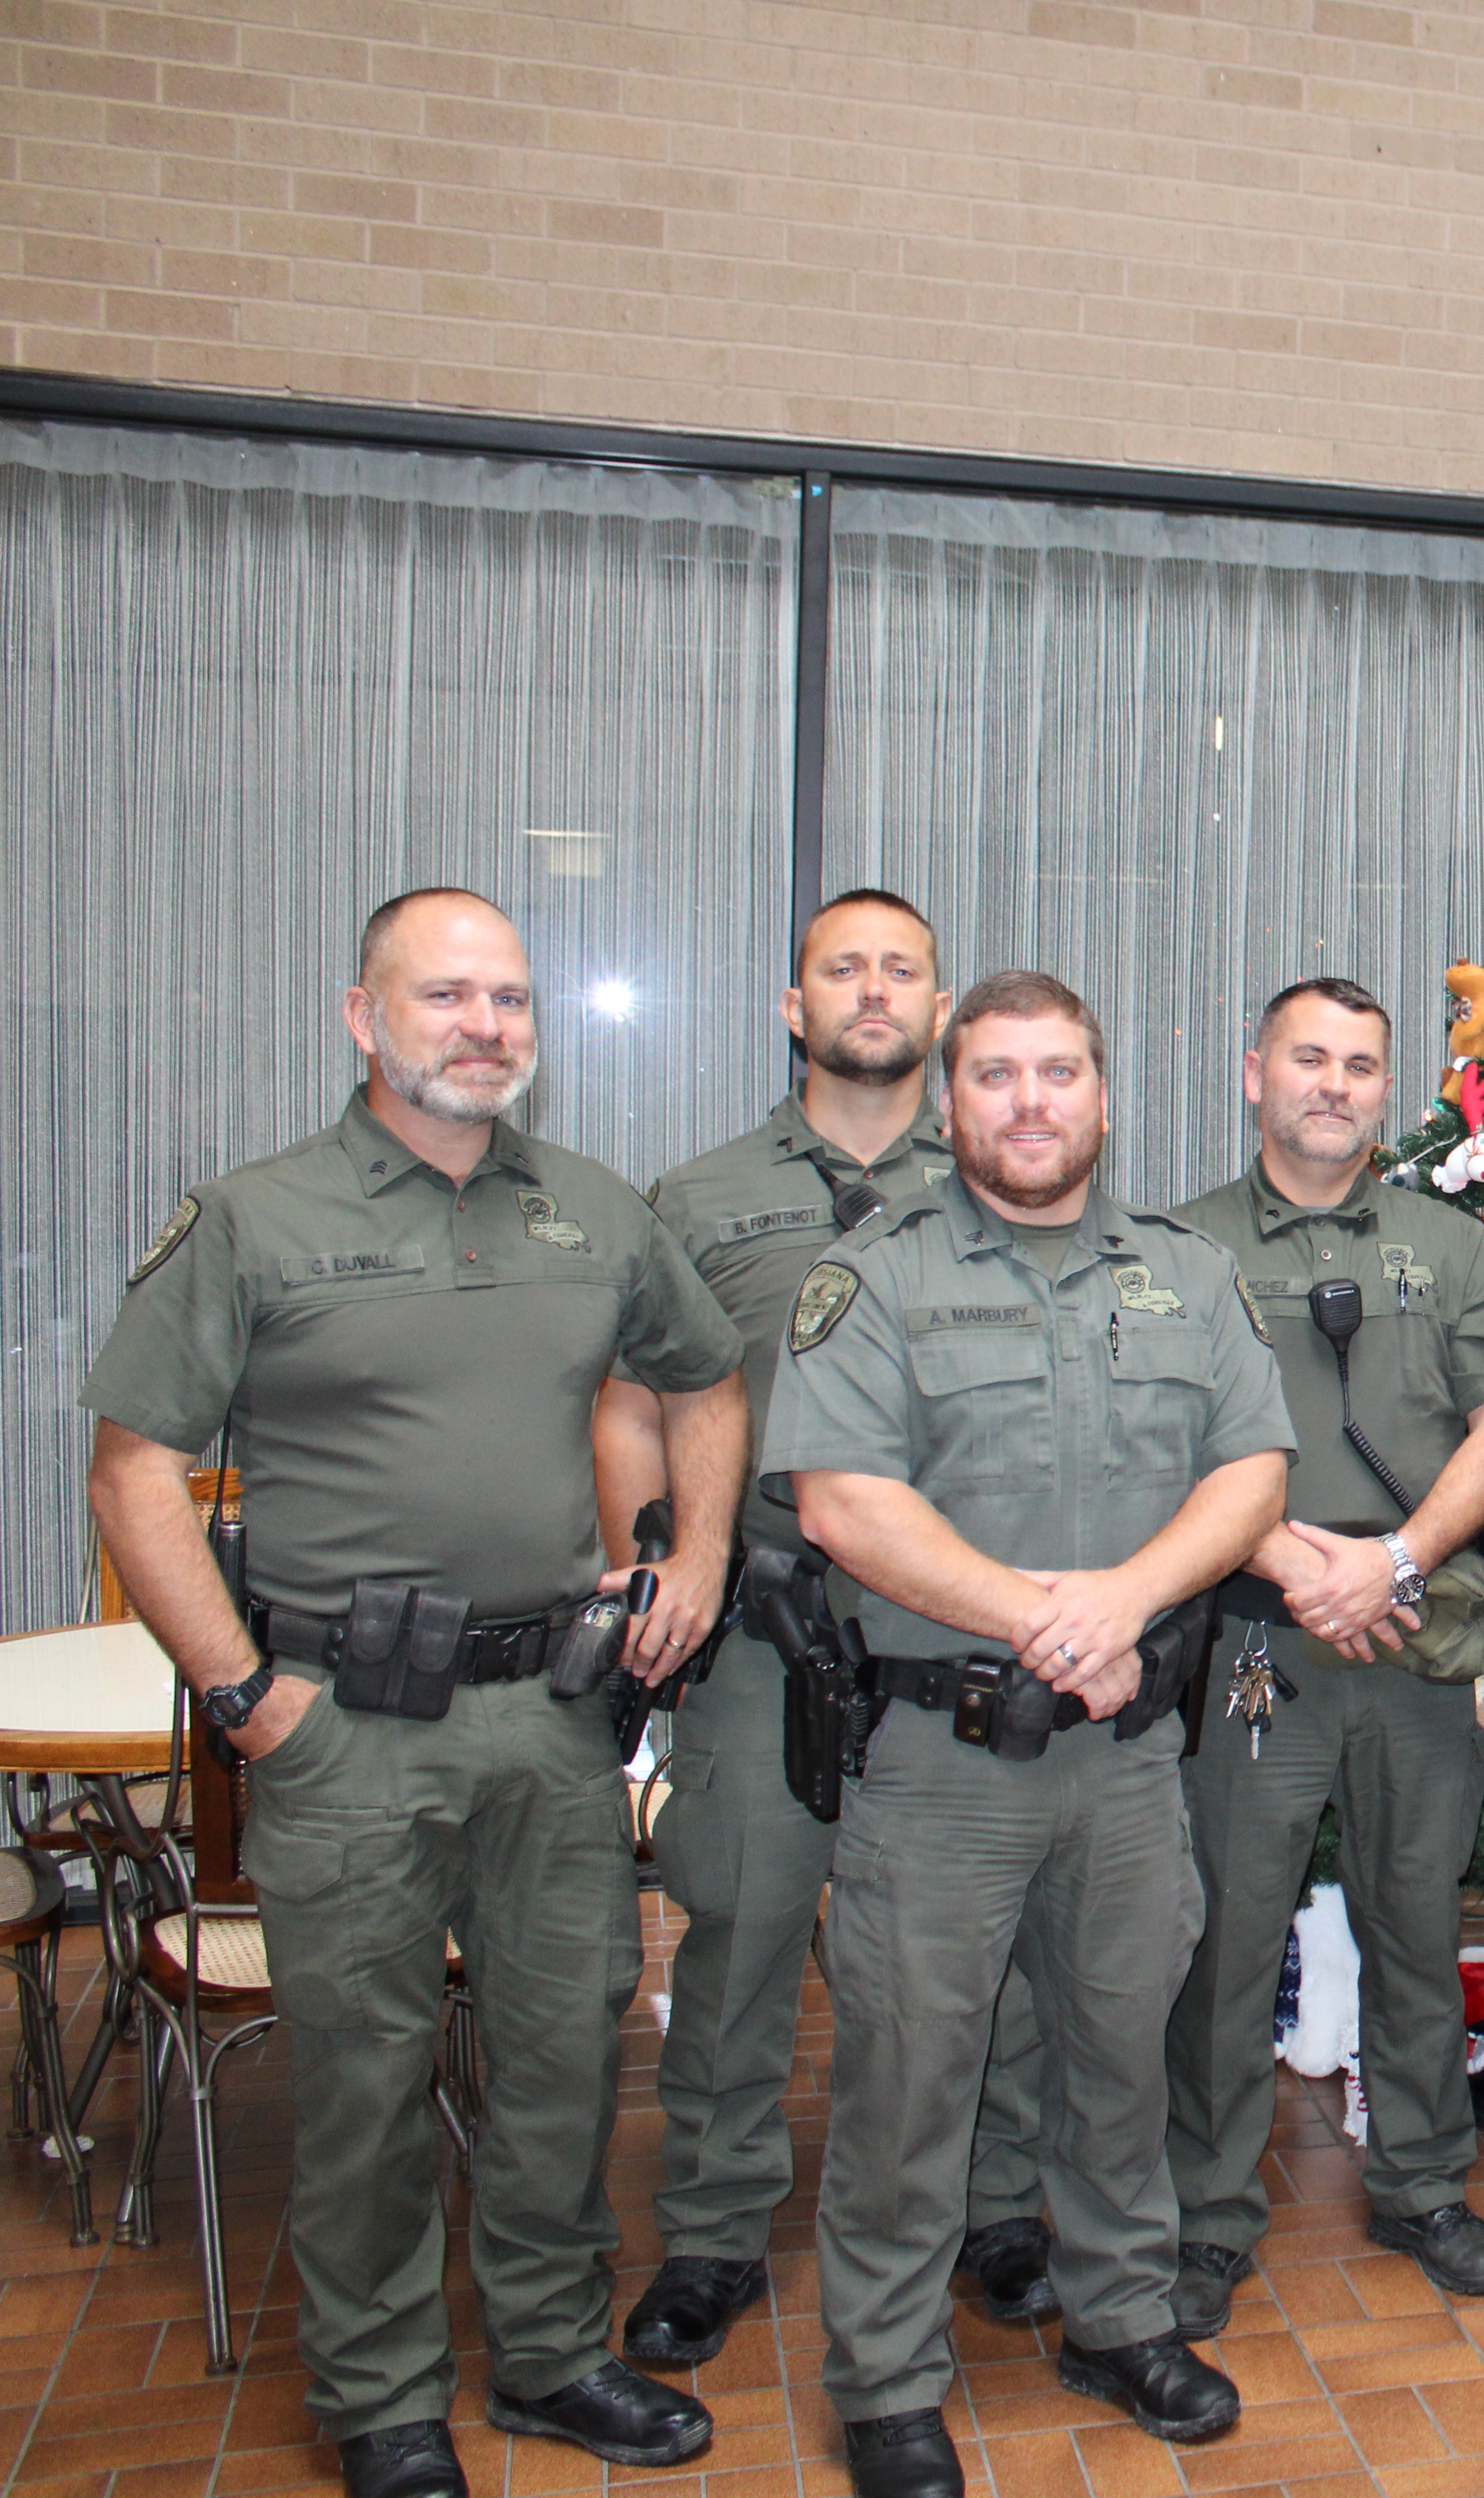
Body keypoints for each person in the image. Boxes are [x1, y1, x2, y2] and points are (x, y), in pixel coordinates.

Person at [82, 889, 746, 2498]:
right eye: (445, 994)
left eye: (510, 999)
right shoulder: (258, 1218)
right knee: (369, 2071)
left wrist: (699, 1558)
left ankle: (549, 2353)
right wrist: (247, 1698)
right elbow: (133, 1472)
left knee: (562, 2050)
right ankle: (379, 2395)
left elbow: (706, 1376)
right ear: (361, 1016)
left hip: (548, 1713)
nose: (485, 1026)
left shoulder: (593, 1211)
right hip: (344, 1724)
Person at [762, 971, 1293, 2498]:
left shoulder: (1185, 1276)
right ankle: (884, 2378)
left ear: (1105, 1096)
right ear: (951, 1101)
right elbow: (843, 1500)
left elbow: (1253, 1467)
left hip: (1126, 1764)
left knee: (1121, 2051)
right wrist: (1037, 1615)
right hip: (941, 1763)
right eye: (997, 1076)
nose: (1032, 1103)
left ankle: (1119, 2316)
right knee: (911, 2078)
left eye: (1061, 1072)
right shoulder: (878, 1277)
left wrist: (1126, 1598)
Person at [604, 889, 1056, 2365]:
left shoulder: (1011, 1176)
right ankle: (720, 2226)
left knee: (977, 1932)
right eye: (840, 968)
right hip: (760, 1626)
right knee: (736, 1925)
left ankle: (999, 2202)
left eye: (902, 970)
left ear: (940, 1014)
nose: (872, 990)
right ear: (793, 1007)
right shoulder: (697, 1197)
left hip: (952, 1623)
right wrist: (645, 1567)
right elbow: (640, 1394)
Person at [1163, 977, 1484, 2324]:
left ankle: (1426, 2181)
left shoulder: (1449, 1244)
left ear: (1392, 1088)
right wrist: (1290, 1558)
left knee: (1419, 1924)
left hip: (1412, 1632)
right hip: (1259, 1638)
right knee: (1226, 1936)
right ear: (1253, 1071)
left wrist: (1399, 1558)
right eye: (1307, 1057)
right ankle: (1206, 2209)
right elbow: (1159, 1435)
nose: (1334, 1082)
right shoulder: (1182, 1246)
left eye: (1361, 1064)